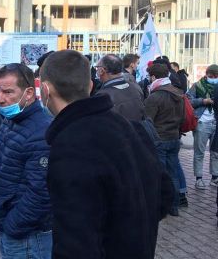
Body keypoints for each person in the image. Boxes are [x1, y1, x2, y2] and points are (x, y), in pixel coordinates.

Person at [41, 50, 172, 258]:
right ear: (91, 86)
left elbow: (75, 242)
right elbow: (165, 196)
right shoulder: (132, 128)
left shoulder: (70, 146)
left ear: (45, 90)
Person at [0, 63, 53, 259]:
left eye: (8, 92)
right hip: (10, 226)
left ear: (29, 93)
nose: (0, 99)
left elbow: (41, 191)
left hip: (28, 234)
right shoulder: (11, 120)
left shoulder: (41, 131)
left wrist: (14, 225)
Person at [144, 63, 186, 216]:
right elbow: (183, 117)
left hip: (159, 139)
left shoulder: (155, 97)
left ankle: (160, 206)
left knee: (159, 175)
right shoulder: (178, 93)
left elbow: (147, 121)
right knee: (173, 173)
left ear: (153, 77)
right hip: (174, 137)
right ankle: (173, 206)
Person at [186, 64, 218, 189]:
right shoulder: (197, 85)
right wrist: (203, 101)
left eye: (216, 76)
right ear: (207, 74)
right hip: (202, 122)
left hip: (216, 122)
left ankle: (215, 177)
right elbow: (188, 101)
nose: (214, 78)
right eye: (212, 76)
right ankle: (199, 178)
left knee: (215, 152)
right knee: (199, 152)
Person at [94, 54, 145, 121]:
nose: (96, 70)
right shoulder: (134, 87)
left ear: (102, 70)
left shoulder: (103, 96)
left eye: (97, 67)